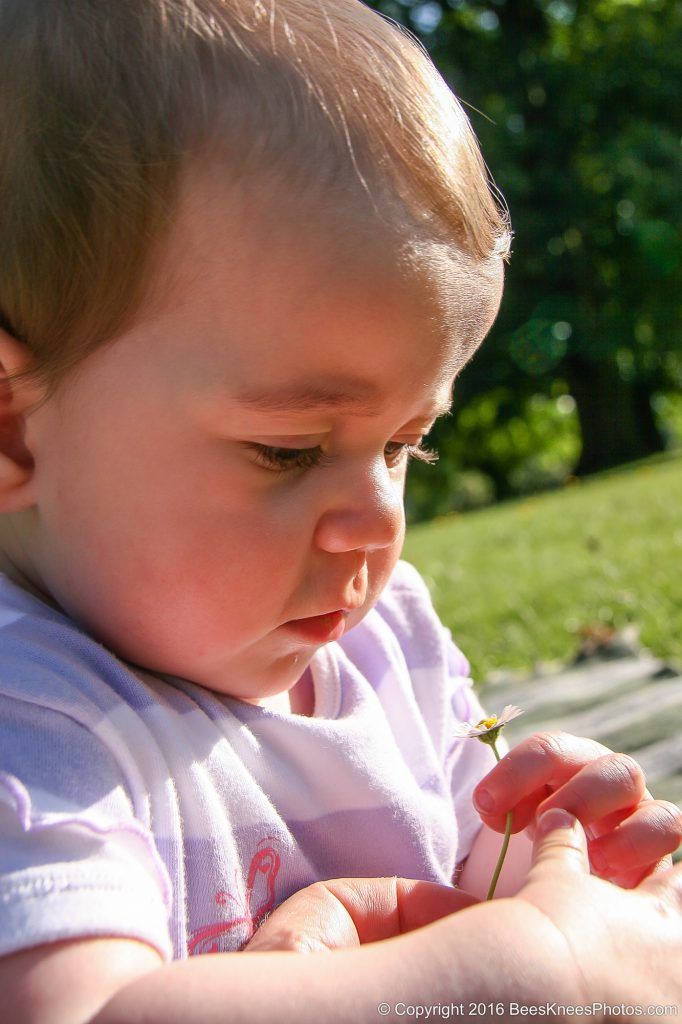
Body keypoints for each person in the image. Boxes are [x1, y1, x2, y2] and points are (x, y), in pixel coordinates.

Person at [0, 1, 680, 1021]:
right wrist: (538, 970)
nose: (375, 521)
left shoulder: (383, 637)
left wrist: (533, 848)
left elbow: (457, 842)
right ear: (14, 432)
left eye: (407, 443)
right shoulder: (32, 723)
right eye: (289, 449)